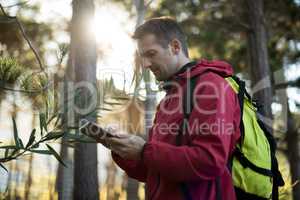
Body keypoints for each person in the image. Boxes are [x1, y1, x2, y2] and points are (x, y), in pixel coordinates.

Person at [98, 16, 241, 200]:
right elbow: (154, 170)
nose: (145, 64)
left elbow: (209, 161)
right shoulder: (167, 101)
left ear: (175, 47)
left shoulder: (211, 87)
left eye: (151, 54)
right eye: (143, 57)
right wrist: (122, 149)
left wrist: (144, 151)